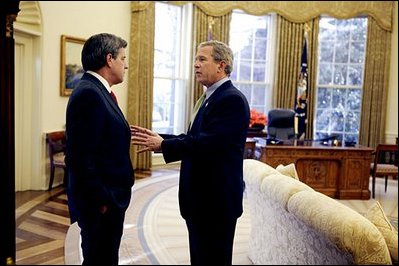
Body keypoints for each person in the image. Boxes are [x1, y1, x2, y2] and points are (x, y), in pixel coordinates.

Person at [131, 40, 250, 265]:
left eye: (202, 59)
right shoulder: (211, 97)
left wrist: (163, 146)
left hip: (216, 202)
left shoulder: (231, 100)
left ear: (221, 65)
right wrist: (161, 139)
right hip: (201, 200)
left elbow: (208, 144)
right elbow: (195, 137)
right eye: (195, 59)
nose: (195, 65)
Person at [65, 33, 134, 265]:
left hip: (108, 200)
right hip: (101, 205)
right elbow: (79, 158)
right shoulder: (89, 94)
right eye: (123, 58)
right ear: (109, 59)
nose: (126, 64)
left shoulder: (98, 90)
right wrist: (102, 201)